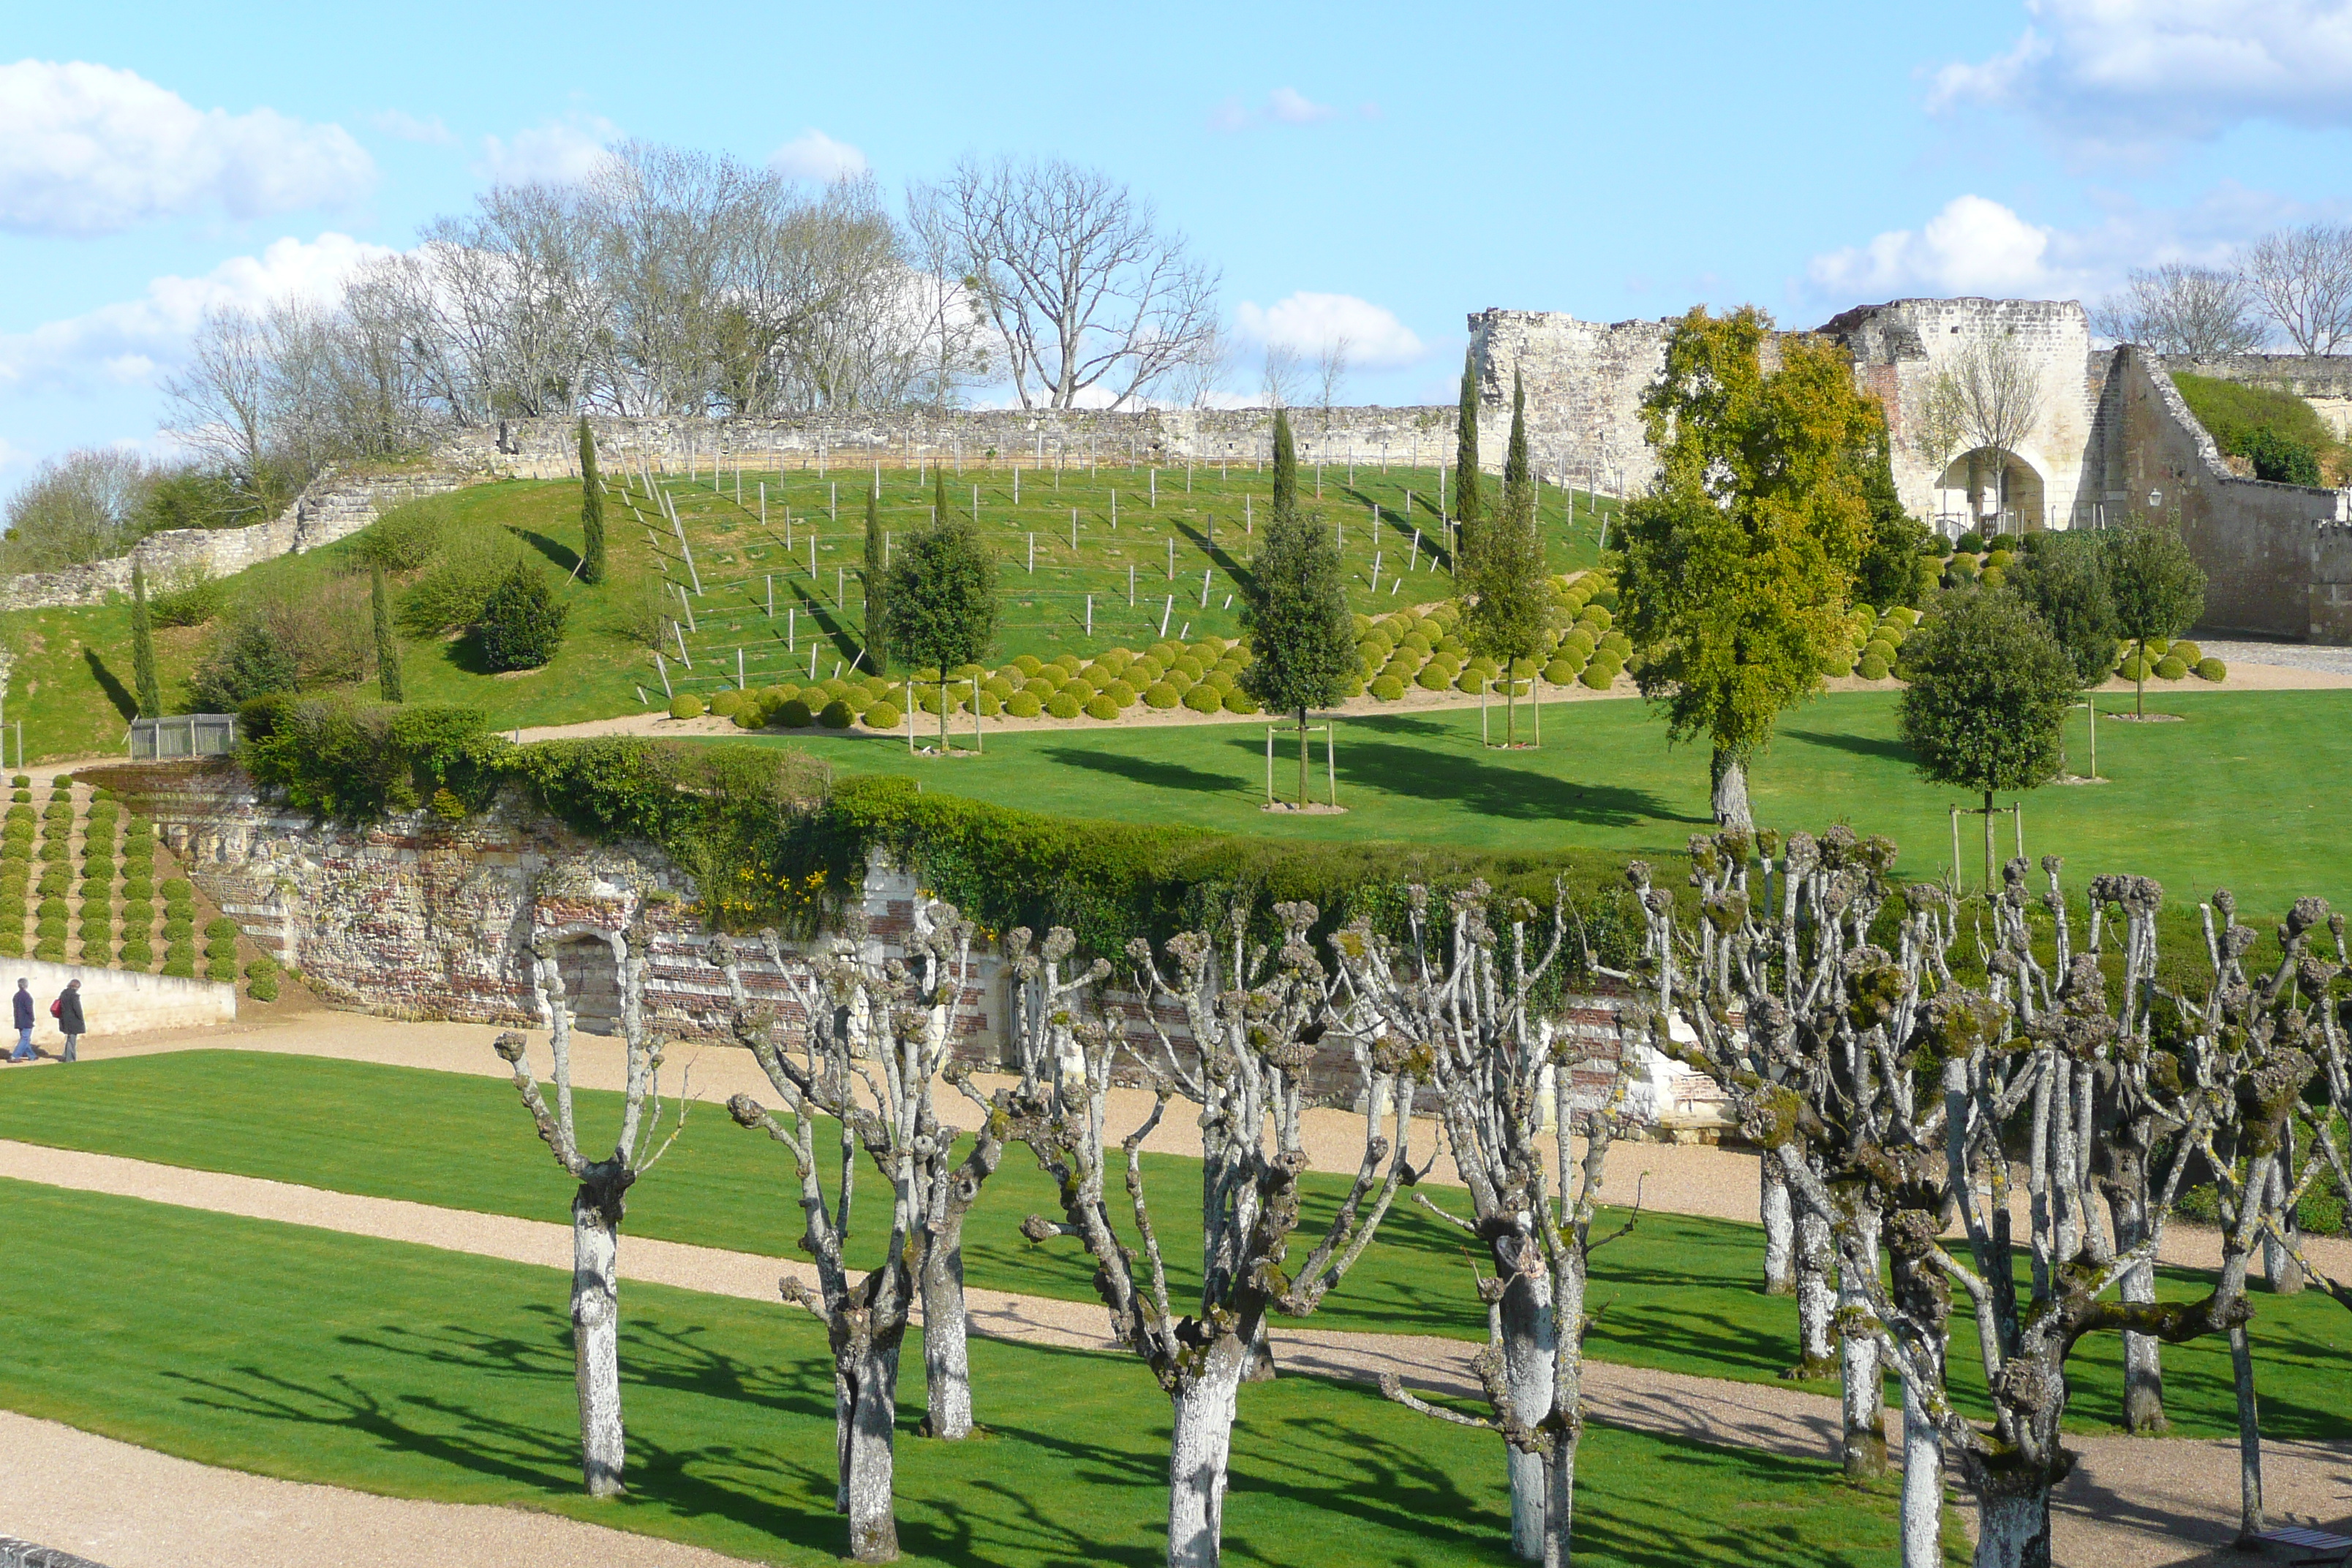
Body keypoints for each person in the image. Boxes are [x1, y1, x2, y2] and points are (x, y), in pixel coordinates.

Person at [53, 978, 82, 1064]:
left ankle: (66, 1056)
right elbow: (78, 1010)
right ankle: (70, 1058)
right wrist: (81, 1020)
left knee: (69, 1039)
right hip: (73, 1021)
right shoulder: (74, 996)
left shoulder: (63, 994)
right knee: (72, 1040)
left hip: (64, 1020)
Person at [7, 979, 31, 1062]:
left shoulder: (16, 996)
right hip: (26, 1021)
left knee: (25, 1038)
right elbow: (29, 1009)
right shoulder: (26, 996)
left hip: (19, 1020)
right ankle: (15, 1056)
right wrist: (32, 1018)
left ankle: (32, 1055)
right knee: (25, 1038)